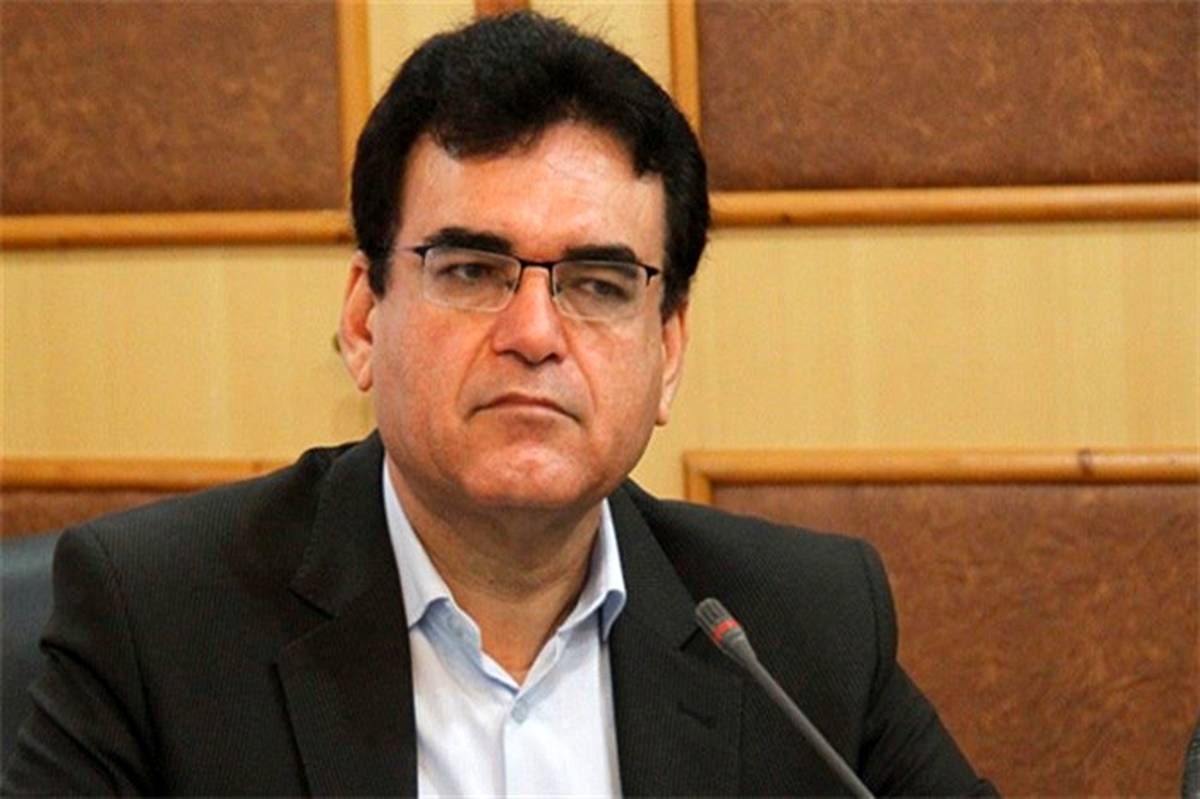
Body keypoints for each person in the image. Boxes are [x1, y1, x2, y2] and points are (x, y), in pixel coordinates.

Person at [3, 12, 995, 796]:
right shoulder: (157, 619)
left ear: (668, 352)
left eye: (599, 284)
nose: (534, 332)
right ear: (364, 318)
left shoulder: (801, 628)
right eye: (472, 270)